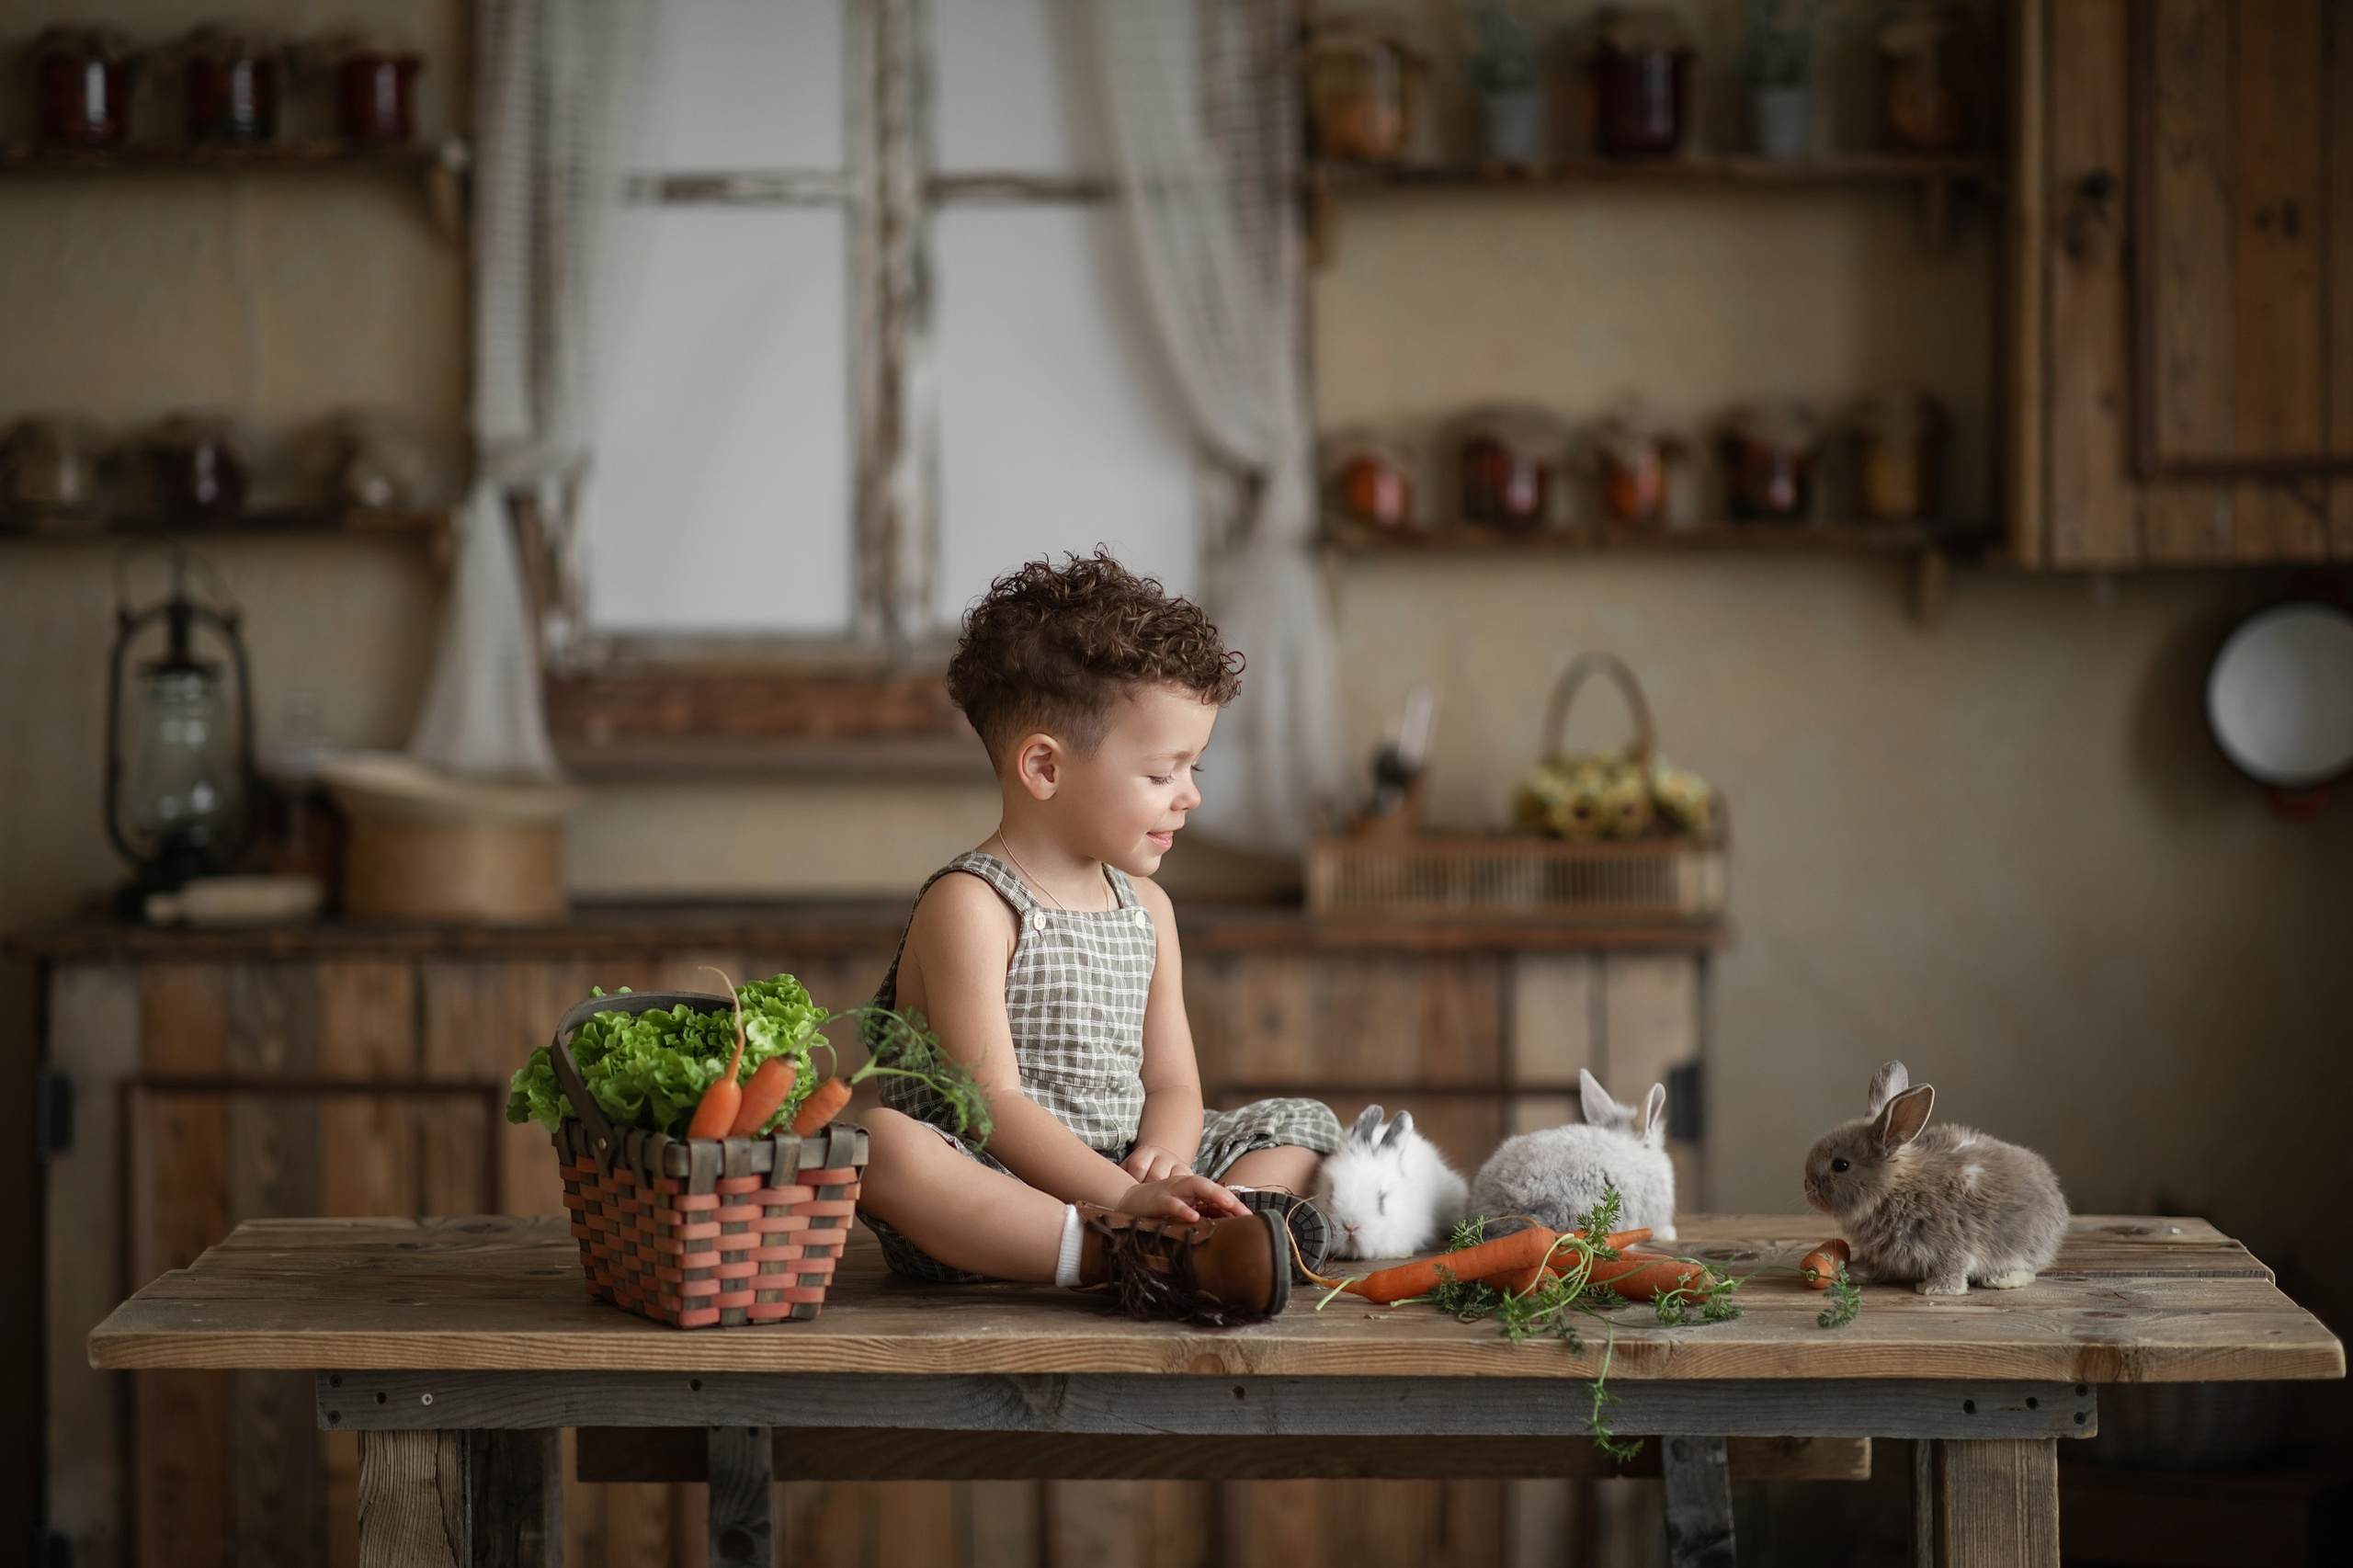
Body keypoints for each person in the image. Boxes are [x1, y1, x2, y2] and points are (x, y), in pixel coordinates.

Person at [855, 553, 1341, 1323]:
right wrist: (1125, 1199)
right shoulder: (972, 905)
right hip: (1006, 1190)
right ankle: (1124, 1256)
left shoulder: (1147, 906)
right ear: (1045, 767)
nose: (1191, 795)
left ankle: (1213, 1234)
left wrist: (1166, 1163)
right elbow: (992, 1108)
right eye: (1163, 773)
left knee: (1302, 1126)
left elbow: (1176, 1086)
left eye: (1195, 765)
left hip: (1127, 1166)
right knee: (883, 1147)